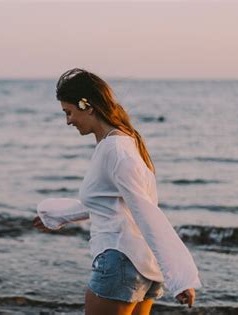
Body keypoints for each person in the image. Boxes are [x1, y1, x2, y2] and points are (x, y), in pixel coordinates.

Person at [32, 68, 201, 315]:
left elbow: (146, 213)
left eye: (69, 112)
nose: (68, 121)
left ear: (87, 106)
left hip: (120, 262)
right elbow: (106, 203)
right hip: (139, 265)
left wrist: (181, 275)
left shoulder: (115, 151)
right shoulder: (123, 143)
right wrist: (54, 216)